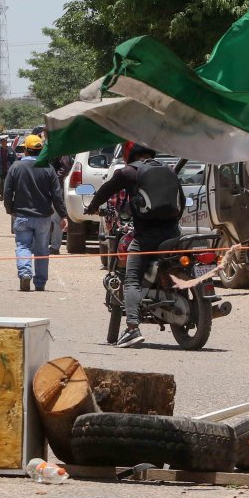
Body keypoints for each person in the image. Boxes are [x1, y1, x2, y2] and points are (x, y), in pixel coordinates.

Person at [85, 145, 183, 347]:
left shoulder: (128, 172)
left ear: (130, 155)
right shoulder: (169, 170)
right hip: (173, 233)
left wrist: (92, 207)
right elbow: (180, 200)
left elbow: (105, 190)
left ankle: (132, 328)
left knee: (131, 280)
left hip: (146, 236)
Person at [2, 134, 67, 292]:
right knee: (42, 250)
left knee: (23, 246)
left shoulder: (16, 167)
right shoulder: (49, 169)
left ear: (25, 150)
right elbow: (57, 195)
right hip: (43, 218)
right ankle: (40, 283)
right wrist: (63, 215)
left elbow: (7, 191)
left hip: (22, 216)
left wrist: (10, 209)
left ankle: (25, 273)